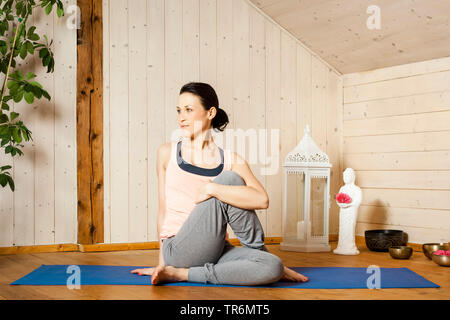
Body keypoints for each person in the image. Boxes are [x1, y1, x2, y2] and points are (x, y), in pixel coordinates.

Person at [131, 82, 308, 285]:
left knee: (272, 266)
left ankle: (187, 274)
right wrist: (162, 263)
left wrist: (211, 188)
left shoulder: (231, 159)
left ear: (210, 112)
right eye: (179, 110)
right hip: (179, 250)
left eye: (189, 110)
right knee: (230, 180)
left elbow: (262, 199)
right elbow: (163, 211)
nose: (181, 117)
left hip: (216, 249)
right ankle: (178, 270)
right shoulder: (167, 152)